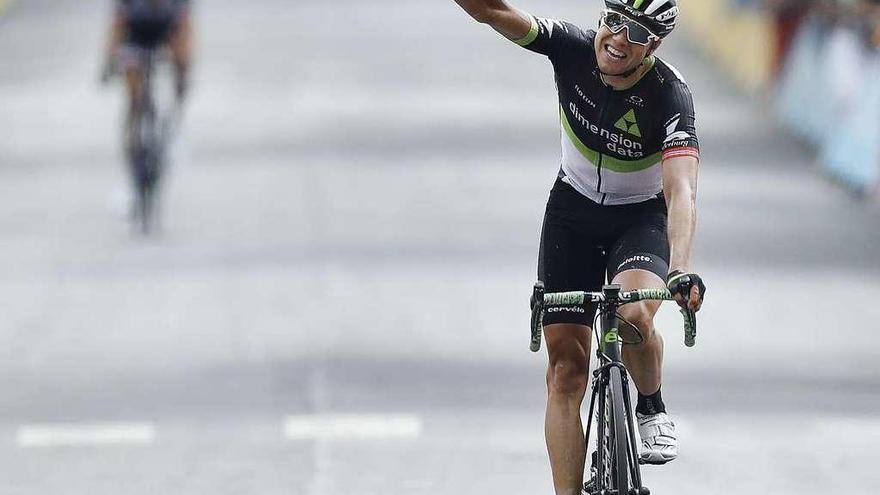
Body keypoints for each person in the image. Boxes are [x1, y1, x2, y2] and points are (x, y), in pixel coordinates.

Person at [452, 1, 706, 493]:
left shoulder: (669, 94)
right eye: (614, 20)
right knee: (566, 371)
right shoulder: (570, 48)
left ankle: (650, 405)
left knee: (635, 316)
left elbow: (682, 190)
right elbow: (492, 11)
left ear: (653, 45)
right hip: (573, 210)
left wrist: (681, 269)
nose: (618, 37)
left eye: (637, 31)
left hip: (640, 217)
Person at [102, 0, 192, 157]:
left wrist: (182, 68)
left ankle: (167, 127)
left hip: (163, 37)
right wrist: (109, 61)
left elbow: (185, 31)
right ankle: (131, 134)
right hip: (135, 38)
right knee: (134, 93)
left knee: (179, 71)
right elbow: (117, 28)